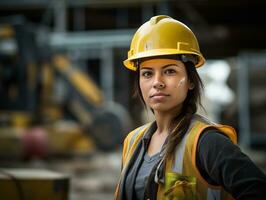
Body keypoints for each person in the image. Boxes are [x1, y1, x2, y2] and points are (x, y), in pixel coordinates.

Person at [114, 15, 266, 200]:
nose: (157, 82)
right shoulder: (132, 141)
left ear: (191, 81)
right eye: (147, 73)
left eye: (169, 71)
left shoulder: (207, 141)